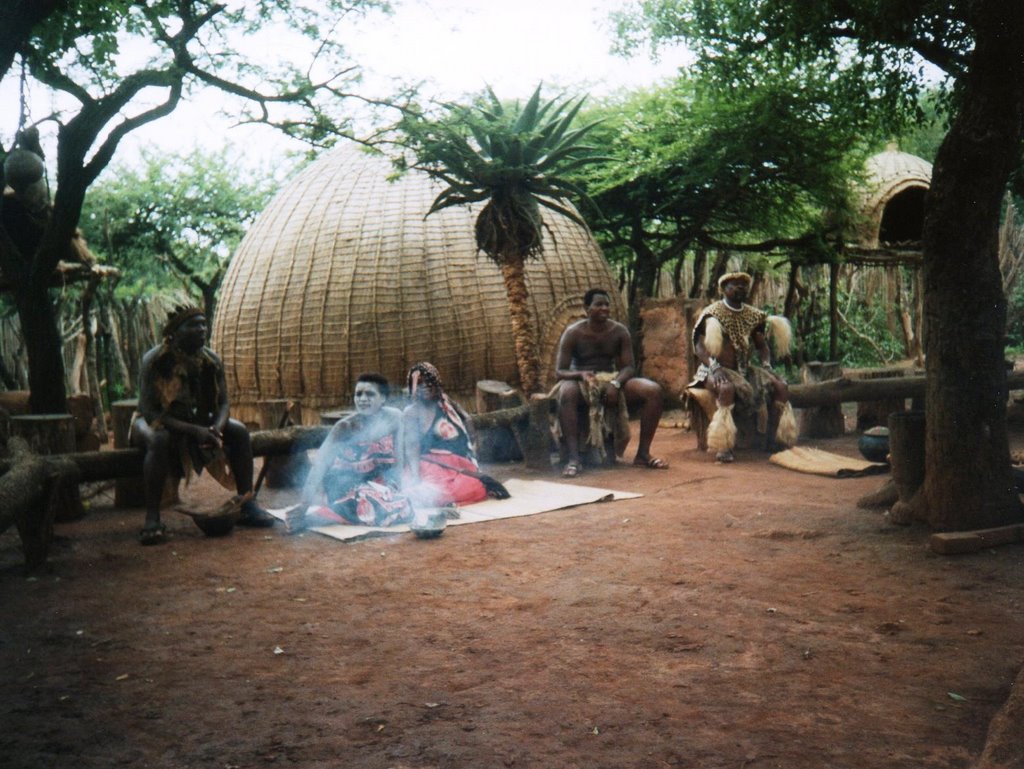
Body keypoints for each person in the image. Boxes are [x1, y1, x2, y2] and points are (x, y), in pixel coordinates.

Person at [130, 305, 275, 545]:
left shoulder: (211, 360)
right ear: (174, 332)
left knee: (238, 431)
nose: (201, 330)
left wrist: (215, 428)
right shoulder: (155, 360)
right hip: (152, 422)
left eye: (203, 324)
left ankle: (247, 504)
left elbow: (224, 403)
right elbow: (149, 410)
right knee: (159, 439)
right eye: (193, 325)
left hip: (197, 422)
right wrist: (194, 431)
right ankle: (152, 518)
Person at [554, 288, 668, 478]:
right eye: (598, 304)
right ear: (587, 309)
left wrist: (615, 383)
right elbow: (560, 371)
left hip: (611, 379)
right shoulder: (573, 332)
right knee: (567, 394)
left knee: (653, 391)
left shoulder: (619, 331)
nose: (604, 308)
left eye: (607, 304)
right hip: (581, 380)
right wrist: (581, 374)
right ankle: (574, 459)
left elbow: (629, 368)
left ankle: (643, 453)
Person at [690, 271, 798, 463]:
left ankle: (772, 440)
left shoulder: (752, 315)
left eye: (743, 285)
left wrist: (766, 364)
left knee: (781, 386)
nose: (740, 288)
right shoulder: (712, 313)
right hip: (714, 369)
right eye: (735, 285)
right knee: (726, 388)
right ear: (724, 289)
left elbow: (762, 346)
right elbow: (699, 346)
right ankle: (723, 446)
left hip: (745, 370)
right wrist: (714, 367)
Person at [286, 373, 413, 532]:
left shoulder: (394, 418)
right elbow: (319, 466)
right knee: (371, 502)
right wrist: (304, 506)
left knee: (407, 503)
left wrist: (396, 488)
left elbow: (399, 458)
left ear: (383, 398)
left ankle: (340, 514)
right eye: (358, 394)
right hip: (344, 486)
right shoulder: (344, 427)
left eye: (370, 394)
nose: (362, 399)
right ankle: (316, 518)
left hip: (378, 483)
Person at [402, 362, 508, 508]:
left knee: (473, 486)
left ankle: (446, 499)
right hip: (427, 463)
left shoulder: (444, 401)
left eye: (429, 382)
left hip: (455, 461)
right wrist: (415, 476)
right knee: (430, 491)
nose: (425, 387)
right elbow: (411, 447)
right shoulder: (411, 412)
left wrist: (471, 443)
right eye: (419, 384)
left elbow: (466, 418)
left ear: (437, 384)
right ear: (412, 388)